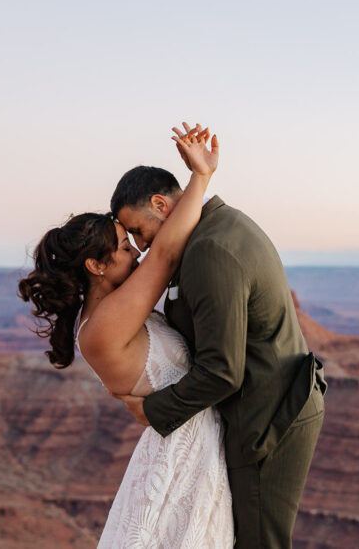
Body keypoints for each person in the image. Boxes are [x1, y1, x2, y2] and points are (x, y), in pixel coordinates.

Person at [18, 122, 232, 548]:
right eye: (123, 246)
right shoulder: (102, 325)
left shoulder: (110, 312)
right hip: (185, 460)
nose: (137, 250)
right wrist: (201, 176)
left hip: (191, 449)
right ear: (95, 266)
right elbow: (166, 253)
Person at [111, 136, 327, 549]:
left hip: (269, 420)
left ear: (160, 205)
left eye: (138, 230)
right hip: (270, 405)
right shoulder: (214, 228)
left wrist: (151, 410)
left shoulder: (210, 249)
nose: (140, 246)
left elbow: (222, 371)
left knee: (260, 541)